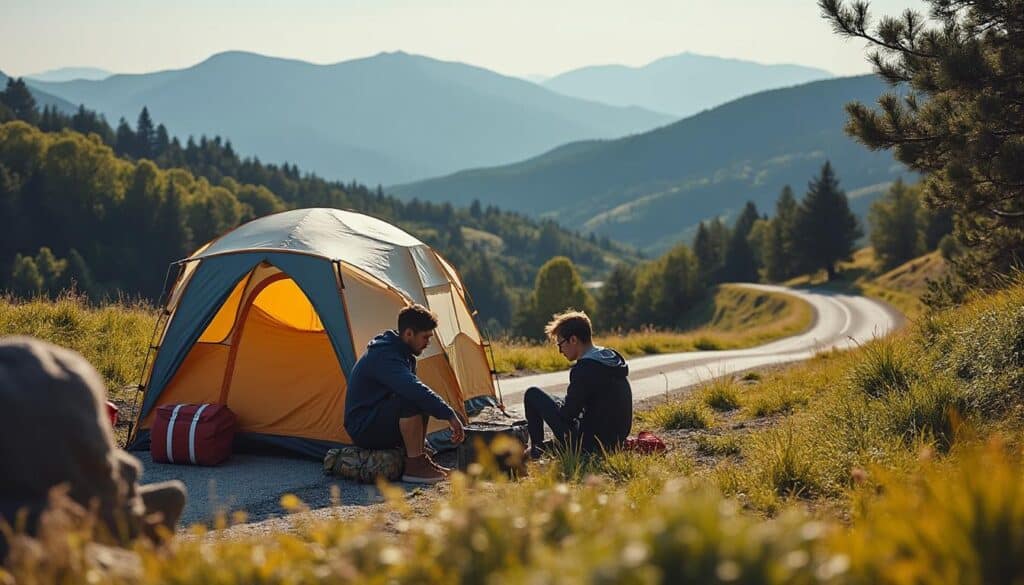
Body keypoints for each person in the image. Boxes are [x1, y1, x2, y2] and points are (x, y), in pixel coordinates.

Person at [0, 336, 186, 561]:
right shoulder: (62, 382)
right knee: (171, 496)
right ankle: (152, 559)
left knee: (169, 496)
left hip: (37, 519)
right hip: (74, 524)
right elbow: (110, 476)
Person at [344, 304, 465, 484]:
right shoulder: (385, 356)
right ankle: (415, 468)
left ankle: (420, 459)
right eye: (425, 337)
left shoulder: (403, 353)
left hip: (377, 417)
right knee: (413, 397)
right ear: (409, 334)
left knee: (419, 398)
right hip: (363, 427)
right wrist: (449, 415)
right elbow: (412, 389)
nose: (428, 343)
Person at [523, 310, 632, 458]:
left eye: (560, 344)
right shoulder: (609, 357)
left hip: (591, 445)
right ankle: (547, 447)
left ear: (573, 340)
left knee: (533, 394)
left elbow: (568, 415)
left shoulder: (584, 369)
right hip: (615, 441)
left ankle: (537, 451)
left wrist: (557, 407)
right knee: (558, 400)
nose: (560, 351)